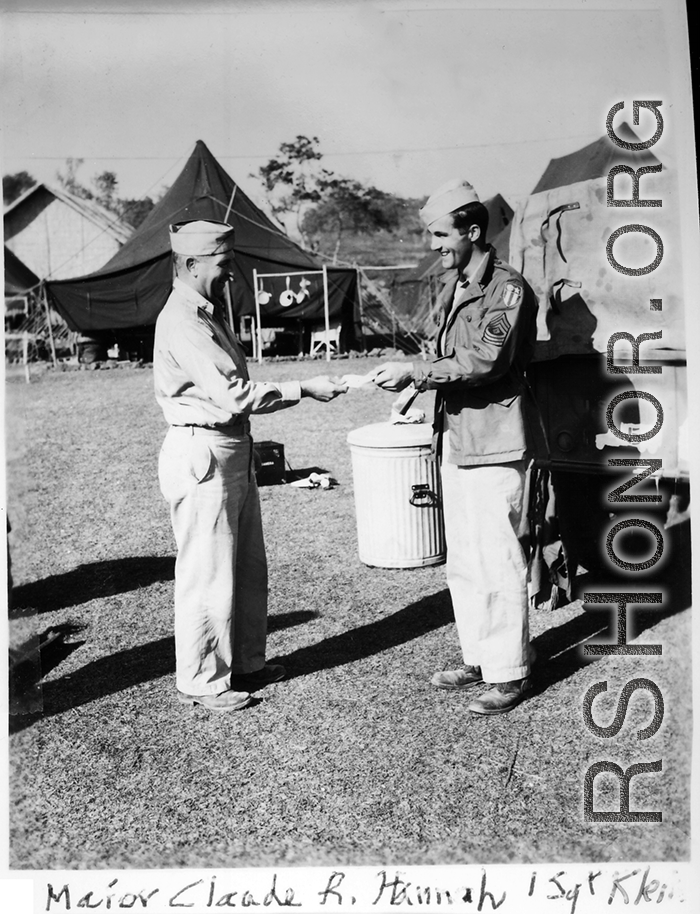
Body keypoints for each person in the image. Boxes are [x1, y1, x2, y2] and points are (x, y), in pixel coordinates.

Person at [154, 219, 347, 713]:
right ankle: (201, 680)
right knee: (208, 572)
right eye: (222, 264)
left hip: (229, 450)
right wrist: (304, 388)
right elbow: (235, 395)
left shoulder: (205, 311)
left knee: (246, 568)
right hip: (204, 453)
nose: (230, 274)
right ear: (191, 264)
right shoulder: (185, 320)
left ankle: (245, 664)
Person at [372, 179, 538, 716]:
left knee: (498, 557)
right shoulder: (455, 285)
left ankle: (509, 671)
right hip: (457, 437)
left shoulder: (505, 289)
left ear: (471, 231)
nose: (433, 245)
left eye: (441, 234)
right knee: (464, 559)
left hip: (494, 441)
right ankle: (479, 658)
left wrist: (417, 373)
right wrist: (419, 390)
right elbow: (449, 359)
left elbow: (484, 361)